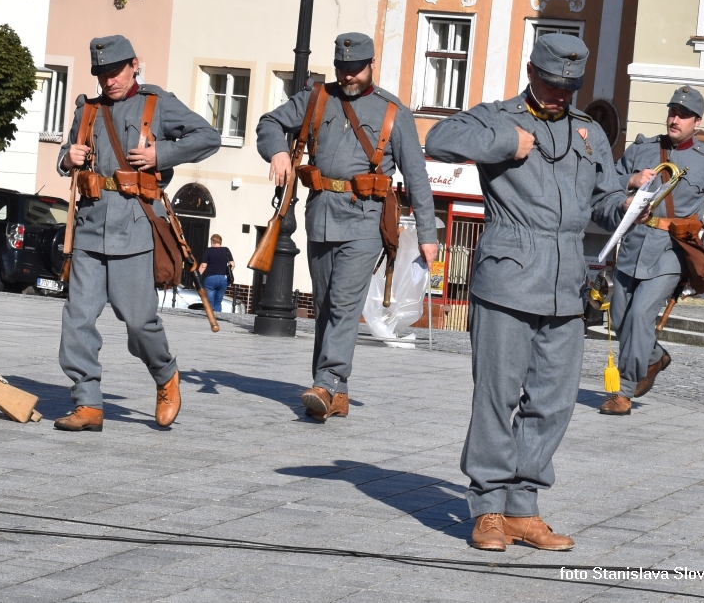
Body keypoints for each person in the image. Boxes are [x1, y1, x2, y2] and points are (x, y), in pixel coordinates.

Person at [424, 34, 632, 552]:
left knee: (553, 403)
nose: (561, 94)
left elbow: (603, 204)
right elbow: (438, 139)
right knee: (496, 397)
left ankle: (522, 508)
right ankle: (488, 508)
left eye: (570, 87)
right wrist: (504, 142)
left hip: (567, 286)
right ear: (532, 71)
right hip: (509, 279)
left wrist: (632, 205)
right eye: (553, 83)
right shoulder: (499, 118)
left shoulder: (588, 132)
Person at [256, 32, 437, 422]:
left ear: (371, 65)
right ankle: (336, 394)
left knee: (343, 303)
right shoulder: (318, 98)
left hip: (365, 220)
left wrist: (428, 235)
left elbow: (417, 178)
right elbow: (269, 122)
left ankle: (326, 381)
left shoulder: (394, 112)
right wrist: (277, 150)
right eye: (342, 68)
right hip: (321, 215)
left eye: (355, 69)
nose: (348, 76)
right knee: (324, 306)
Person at [53, 35, 221, 432]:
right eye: (102, 74)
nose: (109, 81)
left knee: (138, 321)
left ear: (134, 66)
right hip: (90, 229)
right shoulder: (88, 110)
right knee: (77, 318)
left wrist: (161, 154)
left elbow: (208, 137)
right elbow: (69, 154)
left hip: (133, 228)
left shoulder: (156, 104)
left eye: (115, 72)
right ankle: (88, 402)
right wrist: (67, 158)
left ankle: (165, 373)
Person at [601, 86, 704, 416]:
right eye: (672, 112)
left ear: (697, 122)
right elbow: (607, 183)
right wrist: (632, 180)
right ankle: (654, 357)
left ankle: (624, 391)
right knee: (619, 315)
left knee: (639, 314)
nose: (675, 119)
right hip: (633, 243)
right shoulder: (642, 149)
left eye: (684, 115)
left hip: (671, 252)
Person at [198, 234, 234, 313]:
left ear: (212, 241)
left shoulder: (208, 251)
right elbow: (233, 265)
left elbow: (203, 266)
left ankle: (210, 317)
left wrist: (197, 278)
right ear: (220, 242)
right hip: (223, 279)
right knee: (218, 302)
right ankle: (217, 317)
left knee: (209, 302)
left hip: (210, 278)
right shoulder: (226, 250)